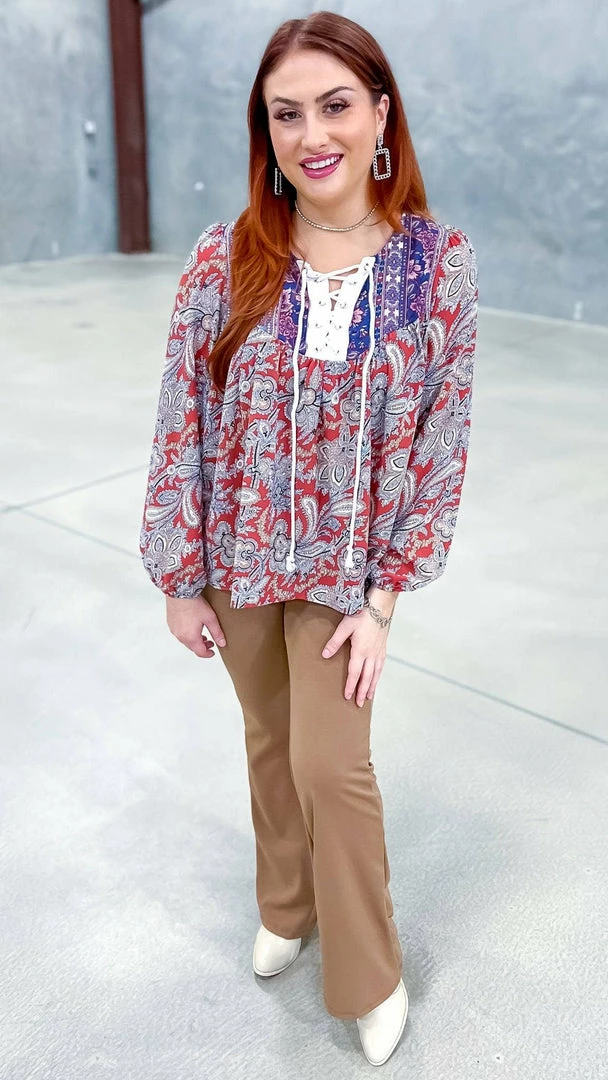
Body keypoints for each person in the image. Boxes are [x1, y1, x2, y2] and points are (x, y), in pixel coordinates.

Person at [139, 9, 478, 1068]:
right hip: (235, 561)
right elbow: (183, 418)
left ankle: (369, 973)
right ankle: (285, 903)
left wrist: (384, 601)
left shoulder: (436, 267)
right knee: (268, 741)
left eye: (333, 105)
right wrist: (179, 576)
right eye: (285, 114)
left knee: (333, 766)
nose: (310, 134)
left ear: (379, 112)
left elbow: (440, 444)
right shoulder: (225, 257)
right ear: (266, 131)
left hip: (345, 580)